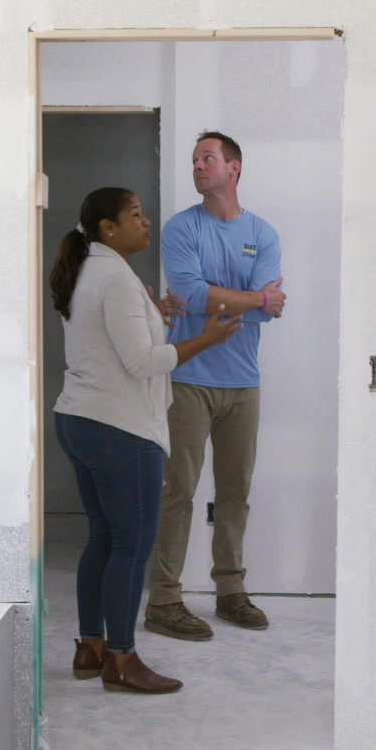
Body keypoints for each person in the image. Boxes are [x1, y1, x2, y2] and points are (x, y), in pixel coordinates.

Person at [49, 186, 241, 693]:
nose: (146, 221)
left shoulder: (92, 270)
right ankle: (122, 659)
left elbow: (108, 337)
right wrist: (207, 339)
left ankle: (91, 648)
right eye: (135, 215)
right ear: (108, 228)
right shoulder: (115, 278)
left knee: (104, 540)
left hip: (80, 420)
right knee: (132, 547)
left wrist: (153, 315)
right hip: (119, 429)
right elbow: (142, 363)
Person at [144, 132, 287, 641]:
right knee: (178, 491)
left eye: (208, 158)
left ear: (234, 167)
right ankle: (164, 600)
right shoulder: (182, 228)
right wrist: (255, 299)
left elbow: (268, 310)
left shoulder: (262, 234)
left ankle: (230, 592)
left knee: (235, 493)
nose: (199, 166)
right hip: (189, 378)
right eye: (194, 160)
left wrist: (239, 302)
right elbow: (193, 295)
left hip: (243, 383)